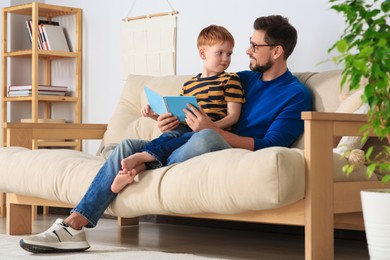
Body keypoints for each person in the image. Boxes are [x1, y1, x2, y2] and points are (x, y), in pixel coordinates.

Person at [19, 15, 312, 253]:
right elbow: (200, 107)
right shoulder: (240, 78)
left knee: (206, 138)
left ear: (276, 51)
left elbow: (272, 144)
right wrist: (168, 120)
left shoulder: (295, 95)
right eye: (249, 43)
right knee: (127, 146)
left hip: (220, 146)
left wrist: (209, 128)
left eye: (254, 46)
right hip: (186, 141)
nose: (247, 51)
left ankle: (143, 162)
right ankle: (74, 225)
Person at [110, 25, 245, 194]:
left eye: (229, 53)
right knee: (171, 134)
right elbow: (180, 116)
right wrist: (155, 116)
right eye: (220, 53)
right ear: (202, 53)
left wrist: (210, 125)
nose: (226, 58)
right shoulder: (189, 84)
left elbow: (233, 116)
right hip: (185, 128)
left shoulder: (230, 80)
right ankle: (134, 170)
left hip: (209, 132)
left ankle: (142, 159)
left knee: (192, 136)